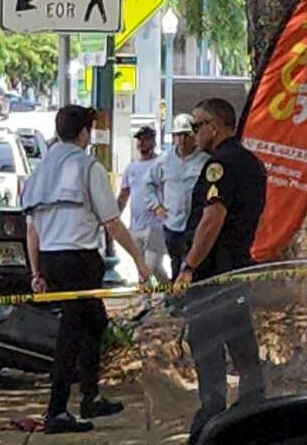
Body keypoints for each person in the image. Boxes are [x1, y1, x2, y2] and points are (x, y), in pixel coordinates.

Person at [22, 105, 151, 434]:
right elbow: (112, 222)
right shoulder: (87, 166)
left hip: (51, 258)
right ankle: (57, 411)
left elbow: (32, 228)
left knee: (95, 322)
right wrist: (138, 261)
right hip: (78, 258)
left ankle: (90, 396)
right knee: (73, 332)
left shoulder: (40, 171)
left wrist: (36, 272)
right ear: (83, 134)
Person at [174, 99, 266, 445]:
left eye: (197, 126)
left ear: (215, 126)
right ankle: (254, 416)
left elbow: (212, 219)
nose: (193, 133)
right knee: (243, 348)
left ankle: (210, 425)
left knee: (208, 352)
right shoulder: (252, 163)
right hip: (238, 271)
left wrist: (188, 268)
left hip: (214, 276)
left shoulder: (220, 164)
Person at [143, 114, 210, 280]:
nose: (182, 140)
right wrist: (156, 206)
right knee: (175, 264)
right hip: (172, 224)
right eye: (178, 135)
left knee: (193, 265)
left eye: (186, 135)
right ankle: (177, 301)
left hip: (195, 224)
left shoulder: (205, 161)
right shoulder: (164, 161)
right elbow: (147, 184)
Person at [118, 126, 169, 283]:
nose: (142, 143)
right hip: (135, 225)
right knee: (143, 269)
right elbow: (123, 196)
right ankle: (147, 302)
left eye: (146, 139)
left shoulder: (162, 164)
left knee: (152, 265)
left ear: (153, 142)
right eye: (140, 139)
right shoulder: (131, 168)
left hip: (156, 225)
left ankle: (168, 293)